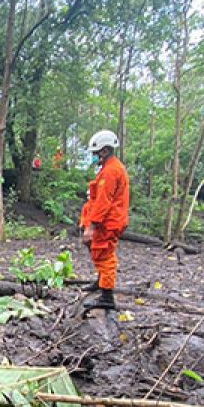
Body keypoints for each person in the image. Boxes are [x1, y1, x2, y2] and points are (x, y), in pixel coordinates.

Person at [79, 129, 130, 311]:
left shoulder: (111, 171)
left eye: (95, 153)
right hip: (107, 220)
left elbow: (103, 201)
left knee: (104, 254)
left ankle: (107, 297)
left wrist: (91, 227)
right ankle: (101, 281)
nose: (93, 157)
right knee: (97, 251)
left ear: (105, 151)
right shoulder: (110, 169)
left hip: (108, 222)